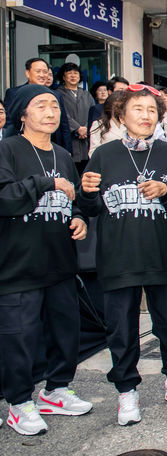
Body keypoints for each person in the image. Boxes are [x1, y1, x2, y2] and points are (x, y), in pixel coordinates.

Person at [78, 84, 167, 426]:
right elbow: (90, 207)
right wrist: (85, 195)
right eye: (138, 109)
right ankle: (126, 391)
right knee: (121, 329)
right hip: (119, 257)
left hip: (163, 253)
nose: (146, 116)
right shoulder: (104, 154)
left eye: (151, 110)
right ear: (121, 115)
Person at [0, 84, 92, 436]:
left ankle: (55, 390)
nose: (51, 112)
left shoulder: (62, 154)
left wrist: (80, 217)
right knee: (19, 336)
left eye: (55, 105)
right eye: (41, 106)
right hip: (18, 264)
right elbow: (5, 197)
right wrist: (45, 184)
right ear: (22, 114)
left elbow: (74, 199)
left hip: (60, 261)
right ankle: (19, 402)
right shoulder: (7, 150)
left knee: (66, 329)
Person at [55, 62, 95, 174]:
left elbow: (93, 113)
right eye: (69, 73)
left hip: (86, 139)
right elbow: (62, 114)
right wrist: (77, 128)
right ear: (63, 77)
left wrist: (86, 128)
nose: (73, 76)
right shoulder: (58, 94)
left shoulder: (86, 94)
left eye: (76, 73)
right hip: (69, 138)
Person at [89, 91, 125, 157]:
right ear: (109, 107)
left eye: (122, 106)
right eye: (116, 106)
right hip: (106, 162)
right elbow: (93, 151)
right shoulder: (99, 124)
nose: (119, 110)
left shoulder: (131, 124)